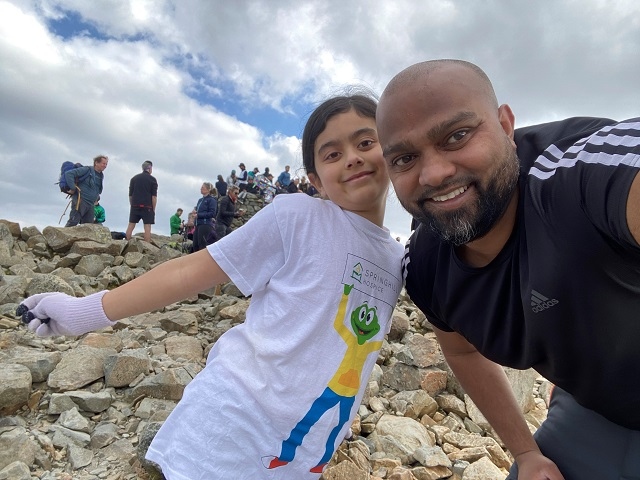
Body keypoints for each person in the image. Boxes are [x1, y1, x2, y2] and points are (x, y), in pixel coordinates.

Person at [17, 92, 404, 479]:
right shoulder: (297, 216)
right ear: (315, 179)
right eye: (332, 154)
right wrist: (81, 312)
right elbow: (189, 272)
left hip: (304, 453)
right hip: (227, 426)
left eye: (365, 142)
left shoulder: (399, 259)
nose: (352, 156)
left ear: (390, 149)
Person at [376, 59, 640, 480]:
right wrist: (527, 452)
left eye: (457, 135)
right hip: (594, 409)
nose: (435, 173)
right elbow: (461, 350)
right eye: (405, 158)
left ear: (505, 125)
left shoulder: (580, 173)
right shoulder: (425, 266)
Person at [64, 155, 108, 227]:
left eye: (106, 164)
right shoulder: (87, 169)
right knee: (73, 222)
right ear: (96, 163)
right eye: (103, 163)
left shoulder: (101, 175)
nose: (105, 166)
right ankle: (63, 237)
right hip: (80, 200)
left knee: (88, 226)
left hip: (91, 204)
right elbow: (69, 174)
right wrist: (73, 188)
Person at [125, 161, 158, 243]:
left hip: (135, 205)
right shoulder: (152, 180)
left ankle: (126, 242)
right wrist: (153, 208)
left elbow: (130, 195)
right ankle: (147, 245)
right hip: (147, 206)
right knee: (147, 226)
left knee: (131, 225)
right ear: (150, 168)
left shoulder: (134, 178)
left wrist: (132, 205)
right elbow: (153, 196)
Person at [192, 182, 218, 252]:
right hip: (198, 225)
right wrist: (195, 211)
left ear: (208, 190)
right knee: (195, 246)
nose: (200, 189)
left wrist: (199, 215)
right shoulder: (200, 200)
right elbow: (198, 211)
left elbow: (212, 213)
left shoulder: (212, 200)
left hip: (205, 225)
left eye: (203, 187)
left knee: (202, 246)